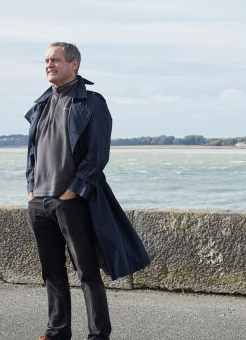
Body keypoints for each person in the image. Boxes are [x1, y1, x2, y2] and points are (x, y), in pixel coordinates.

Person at [25, 42, 150, 340]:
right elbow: (32, 153)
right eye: (46, 61)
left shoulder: (91, 103)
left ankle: (98, 336)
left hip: (71, 202)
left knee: (88, 274)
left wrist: (73, 191)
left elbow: (98, 155)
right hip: (40, 203)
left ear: (74, 64)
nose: (49, 65)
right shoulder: (41, 104)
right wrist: (31, 189)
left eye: (55, 60)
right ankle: (56, 333)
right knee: (51, 273)